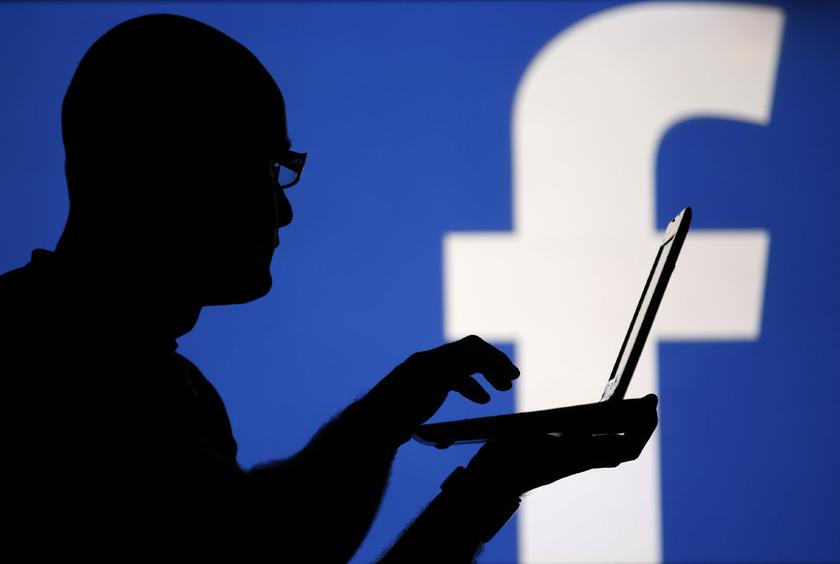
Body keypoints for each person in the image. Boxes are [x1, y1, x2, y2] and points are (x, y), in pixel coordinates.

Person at [0, 13, 658, 561]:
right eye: (268, 165)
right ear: (168, 164)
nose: (282, 210)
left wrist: (488, 488)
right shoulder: (31, 363)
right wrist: (394, 408)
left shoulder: (177, 392)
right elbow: (271, 545)